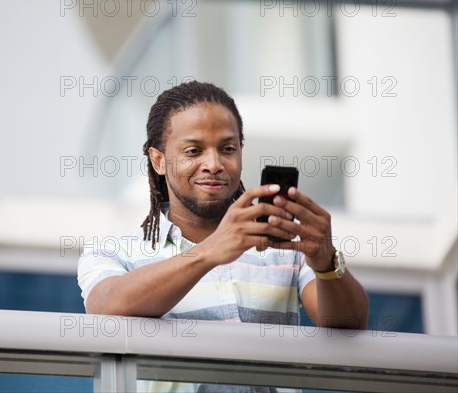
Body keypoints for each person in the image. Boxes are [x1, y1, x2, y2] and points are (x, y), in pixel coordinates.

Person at [77, 81, 369, 392]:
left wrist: (326, 262)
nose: (214, 165)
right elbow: (108, 306)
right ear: (158, 160)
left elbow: (347, 325)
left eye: (228, 149)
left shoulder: (286, 247)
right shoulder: (113, 252)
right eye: (194, 151)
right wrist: (209, 251)